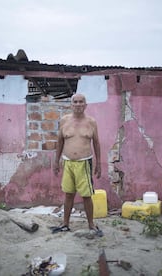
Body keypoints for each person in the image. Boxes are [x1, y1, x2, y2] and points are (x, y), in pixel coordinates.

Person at [53, 93, 103, 237]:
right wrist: (56, 162)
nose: (78, 104)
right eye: (75, 102)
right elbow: (60, 142)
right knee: (69, 194)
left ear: (85, 105)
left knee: (86, 195)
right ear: (71, 104)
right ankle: (65, 224)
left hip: (84, 163)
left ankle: (91, 224)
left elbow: (97, 143)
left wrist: (99, 164)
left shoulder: (91, 122)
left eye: (81, 102)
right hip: (67, 162)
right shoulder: (64, 121)